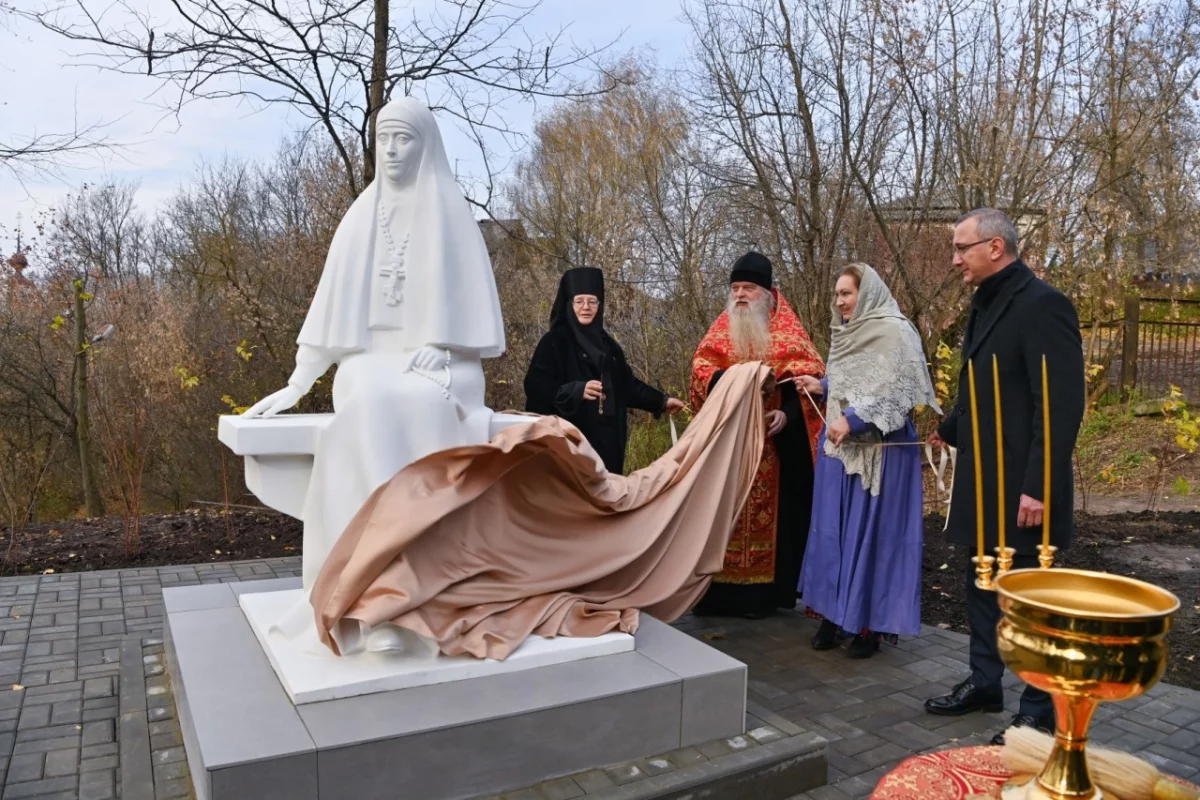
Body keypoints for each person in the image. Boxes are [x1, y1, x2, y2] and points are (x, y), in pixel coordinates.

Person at [242, 96, 507, 652]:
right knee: (371, 403)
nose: (390, 150)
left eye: (403, 139)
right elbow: (331, 308)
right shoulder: (363, 215)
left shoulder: (451, 213)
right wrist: (298, 382)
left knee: (413, 403)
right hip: (368, 361)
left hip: (444, 365)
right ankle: (375, 598)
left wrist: (444, 344)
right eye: (383, 138)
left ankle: (412, 593)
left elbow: (473, 322)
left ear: (425, 146)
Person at [923, 208, 1084, 745]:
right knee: (981, 584)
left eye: (961, 248)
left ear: (995, 247)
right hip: (983, 478)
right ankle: (985, 683)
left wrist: (1039, 486)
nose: (955, 260)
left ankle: (1038, 709)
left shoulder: (1043, 304)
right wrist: (949, 428)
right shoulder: (983, 303)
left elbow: (1059, 405)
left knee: (1031, 596)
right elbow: (985, 388)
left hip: (1023, 486)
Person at [796, 264, 938, 658]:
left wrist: (854, 419)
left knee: (872, 536)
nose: (839, 302)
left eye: (847, 293)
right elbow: (853, 381)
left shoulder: (897, 332)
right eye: (837, 294)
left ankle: (867, 625)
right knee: (833, 532)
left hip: (880, 455)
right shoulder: (846, 332)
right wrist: (822, 386)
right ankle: (831, 613)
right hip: (840, 451)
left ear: (868, 293)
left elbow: (902, 393)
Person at [689, 251, 825, 619]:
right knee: (722, 514)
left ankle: (763, 597)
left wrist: (787, 414)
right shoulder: (723, 326)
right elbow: (701, 368)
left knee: (773, 518)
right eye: (735, 288)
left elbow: (810, 380)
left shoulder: (788, 330)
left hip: (774, 448)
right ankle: (716, 595)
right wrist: (731, 382)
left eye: (748, 288)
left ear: (766, 292)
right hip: (729, 443)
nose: (740, 295)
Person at [524, 267, 684, 475]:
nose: (586, 307)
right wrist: (576, 390)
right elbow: (535, 386)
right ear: (569, 304)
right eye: (579, 301)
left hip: (608, 450)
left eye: (592, 301)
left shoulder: (609, 346)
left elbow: (627, 386)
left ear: (599, 305)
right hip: (568, 447)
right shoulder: (554, 342)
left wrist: (661, 401)